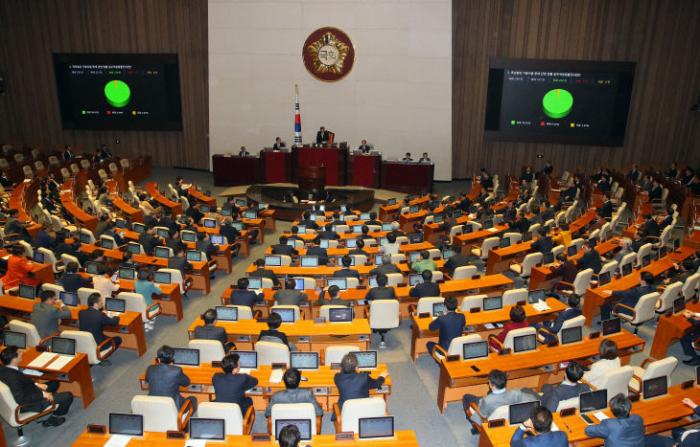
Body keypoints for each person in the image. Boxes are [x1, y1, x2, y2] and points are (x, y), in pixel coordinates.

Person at [0, 346, 73, 427]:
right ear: (14, 359)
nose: (22, 353)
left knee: (55, 383)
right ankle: (54, 417)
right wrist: (43, 394)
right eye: (19, 353)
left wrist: (37, 384)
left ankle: (52, 399)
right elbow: (21, 399)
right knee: (68, 396)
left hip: (30, 390)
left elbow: (22, 383)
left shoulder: (3, 369)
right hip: (30, 403)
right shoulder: (13, 378)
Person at [462, 369, 537, 434]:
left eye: (489, 382)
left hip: (492, 421)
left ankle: (475, 426)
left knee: (467, 397)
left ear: (492, 385)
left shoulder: (487, 400)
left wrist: (481, 402)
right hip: (510, 419)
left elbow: (482, 415)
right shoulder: (515, 392)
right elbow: (533, 399)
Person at [145, 345, 197, 412]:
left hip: (154, 405)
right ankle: (185, 421)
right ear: (172, 358)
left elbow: (147, 381)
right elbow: (187, 383)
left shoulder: (150, 368)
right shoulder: (176, 371)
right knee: (193, 399)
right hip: (173, 407)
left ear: (158, 358)